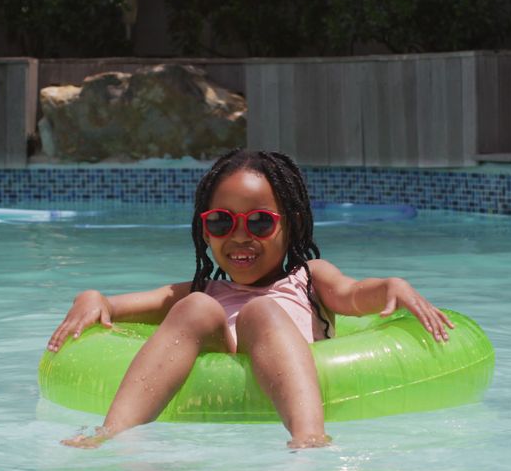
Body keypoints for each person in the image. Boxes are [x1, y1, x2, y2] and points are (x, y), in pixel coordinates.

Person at [47, 149, 454, 449]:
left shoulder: (310, 279)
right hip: (217, 341)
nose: (240, 236)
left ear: (291, 226)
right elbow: (116, 306)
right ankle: (111, 432)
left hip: (286, 363)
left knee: (262, 312)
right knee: (194, 308)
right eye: (222, 222)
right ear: (205, 232)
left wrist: (391, 287)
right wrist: (91, 297)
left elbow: (353, 294)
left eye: (260, 222)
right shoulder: (203, 291)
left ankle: (310, 438)